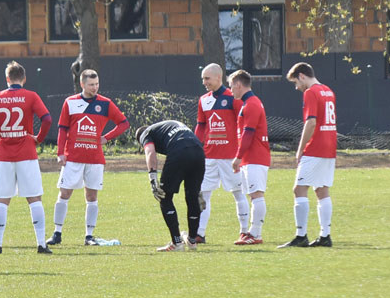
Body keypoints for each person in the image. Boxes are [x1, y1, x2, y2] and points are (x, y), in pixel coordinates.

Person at [0, 61, 53, 255]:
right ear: (24, 78)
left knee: (1, 200)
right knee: (34, 199)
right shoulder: (31, 96)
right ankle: (41, 244)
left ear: (7, 79)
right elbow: (47, 119)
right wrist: (39, 139)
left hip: (4, 154)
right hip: (27, 153)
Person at [46, 69, 129, 247]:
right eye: (91, 84)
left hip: (95, 159)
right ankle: (57, 233)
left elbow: (124, 123)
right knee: (64, 193)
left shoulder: (105, 103)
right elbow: (62, 129)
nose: (95, 87)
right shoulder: (70, 102)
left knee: (91, 196)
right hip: (73, 157)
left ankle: (89, 236)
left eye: (97, 84)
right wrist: (60, 153)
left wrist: (106, 137)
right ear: (82, 84)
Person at [280, 62, 337, 248]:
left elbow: (311, 122)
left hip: (316, 147)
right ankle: (325, 236)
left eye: (296, 82)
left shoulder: (311, 92)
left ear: (302, 76)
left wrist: (300, 148)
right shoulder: (328, 91)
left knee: (299, 189)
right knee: (322, 190)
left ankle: (301, 235)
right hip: (330, 147)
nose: (297, 87)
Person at [194, 63, 250, 244]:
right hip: (209, 156)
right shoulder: (203, 100)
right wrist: (195, 146)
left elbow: (243, 125)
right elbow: (201, 126)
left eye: (207, 78)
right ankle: (199, 234)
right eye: (203, 78)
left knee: (238, 193)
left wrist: (240, 152)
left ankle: (244, 231)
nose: (204, 82)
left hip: (229, 157)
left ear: (219, 77)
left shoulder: (233, 98)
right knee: (203, 194)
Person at [136, 121, 205, 252]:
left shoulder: (146, 133)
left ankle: (177, 242)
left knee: (164, 196)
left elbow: (150, 152)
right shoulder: (166, 127)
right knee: (192, 196)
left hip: (179, 150)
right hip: (198, 150)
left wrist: (152, 179)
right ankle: (191, 240)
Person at [229, 69, 270, 246]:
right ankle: (251, 233)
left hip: (255, 156)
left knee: (257, 195)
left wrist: (238, 157)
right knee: (253, 195)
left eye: (231, 86)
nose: (230, 90)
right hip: (250, 158)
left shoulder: (252, 104)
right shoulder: (248, 103)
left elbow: (248, 133)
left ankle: (255, 233)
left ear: (238, 85)